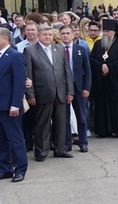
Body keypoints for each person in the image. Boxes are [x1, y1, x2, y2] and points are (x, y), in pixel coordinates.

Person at [25, 25, 74, 162]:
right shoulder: (30, 50)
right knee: (42, 124)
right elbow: (28, 74)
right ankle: (41, 151)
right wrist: (31, 94)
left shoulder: (59, 49)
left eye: (50, 35)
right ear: (39, 36)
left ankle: (60, 149)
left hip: (60, 92)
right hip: (42, 93)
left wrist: (70, 91)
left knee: (61, 123)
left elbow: (67, 72)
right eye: (45, 35)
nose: (48, 37)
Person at [89, 20, 118, 138]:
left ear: (114, 32)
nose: (105, 34)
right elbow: (92, 58)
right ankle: (103, 130)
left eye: (107, 31)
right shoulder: (98, 44)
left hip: (117, 81)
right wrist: (101, 66)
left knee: (117, 106)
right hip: (102, 81)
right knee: (102, 105)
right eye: (104, 31)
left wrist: (109, 67)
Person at [0, 27, 27, 182]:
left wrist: (15, 105)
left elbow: (19, 83)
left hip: (10, 106)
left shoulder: (15, 56)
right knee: (2, 140)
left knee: (15, 139)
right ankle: (5, 168)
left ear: (5, 38)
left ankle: (21, 169)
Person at [60, 24, 91, 153]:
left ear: (73, 35)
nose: (66, 36)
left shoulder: (80, 49)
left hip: (78, 86)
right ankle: (67, 143)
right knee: (65, 117)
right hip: (63, 88)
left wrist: (86, 87)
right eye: (63, 33)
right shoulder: (57, 50)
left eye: (68, 33)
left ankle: (83, 142)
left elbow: (87, 70)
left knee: (81, 117)